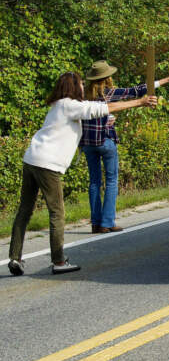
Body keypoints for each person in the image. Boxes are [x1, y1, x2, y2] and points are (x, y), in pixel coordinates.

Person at [7, 72, 157, 276]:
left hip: (31, 159)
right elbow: (104, 107)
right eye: (80, 83)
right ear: (72, 86)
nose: (83, 86)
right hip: (47, 164)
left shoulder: (58, 105)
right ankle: (59, 261)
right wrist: (140, 102)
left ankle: (15, 257)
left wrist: (107, 121)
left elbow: (88, 119)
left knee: (25, 210)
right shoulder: (70, 105)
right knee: (57, 213)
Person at [80, 61, 169, 234]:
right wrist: (166, 80)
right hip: (105, 141)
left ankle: (95, 223)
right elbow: (137, 90)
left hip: (87, 144)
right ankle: (107, 222)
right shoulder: (109, 93)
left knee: (94, 182)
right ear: (107, 77)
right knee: (111, 180)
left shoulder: (83, 95)